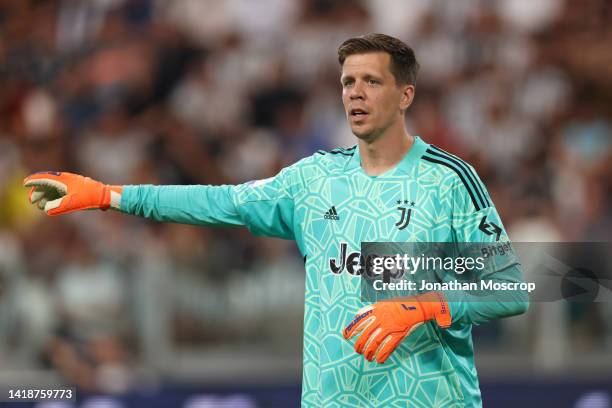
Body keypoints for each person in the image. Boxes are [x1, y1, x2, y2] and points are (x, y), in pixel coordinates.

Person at [24, 33, 529, 407]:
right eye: (347, 82)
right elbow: (218, 203)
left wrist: (424, 304)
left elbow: (510, 287)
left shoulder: (449, 178)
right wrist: (110, 195)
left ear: (405, 96)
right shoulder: (311, 179)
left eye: (371, 81)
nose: (355, 93)